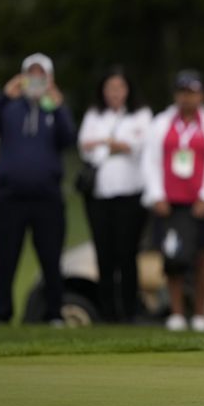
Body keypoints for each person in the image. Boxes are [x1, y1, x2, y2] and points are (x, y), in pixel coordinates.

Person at [0, 53, 76, 325]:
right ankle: (0, 314)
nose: (35, 79)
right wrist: (5, 96)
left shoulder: (53, 108)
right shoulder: (9, 107)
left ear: (49, 78)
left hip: (47, 197)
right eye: (30, 74)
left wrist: (58, 105)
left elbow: (69, 139)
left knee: (51, 258)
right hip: (11, 196)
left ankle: (54, 313)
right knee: (6, 259)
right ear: (22, 77)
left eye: (40, 74)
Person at [142, 70, 204, 332]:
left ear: (201, 95)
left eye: (192, 92)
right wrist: (156, 195)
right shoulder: (161, 122)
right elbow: (150, 160)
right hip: (169, 201)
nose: (187, 98)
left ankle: (201, 314)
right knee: (172, 257)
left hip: (200, 202)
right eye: (182, 92)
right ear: (176, 95)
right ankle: (177, 313)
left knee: (202, 257)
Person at [78, 68, 152, 323]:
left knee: (127, 253)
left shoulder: (140, 115)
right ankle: (107, 312)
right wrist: (114, 143)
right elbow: (85, 146)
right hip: (99, 195)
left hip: (130, 195)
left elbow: (140, 145)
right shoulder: (94, 114)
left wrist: (107, 142)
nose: (115, 94)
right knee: (104, 253)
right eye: (110, 88)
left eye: (120, 88)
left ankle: (130, 310)